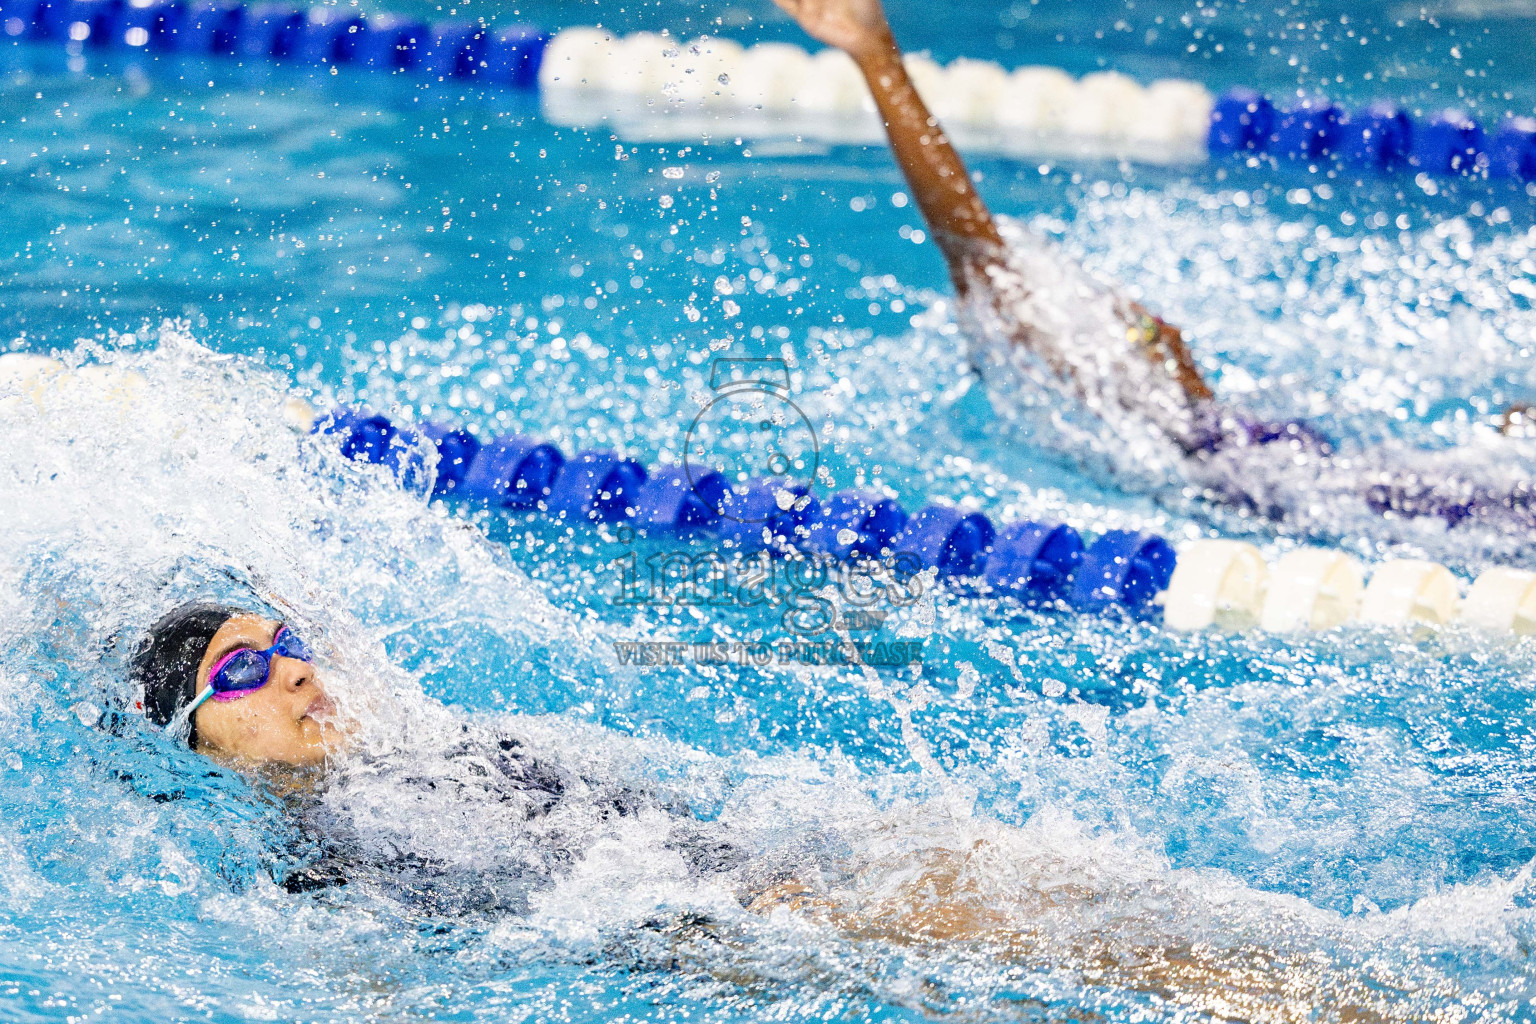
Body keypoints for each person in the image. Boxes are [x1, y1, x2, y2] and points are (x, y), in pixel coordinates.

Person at [124, 598, 1446, 1020]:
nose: (293, 667)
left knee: (1033, 890)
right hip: (721, 917)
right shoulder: (313, 853)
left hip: (747, 862)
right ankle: (1340, 1003)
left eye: (286, 639)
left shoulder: (426, 742)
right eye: (245, 669)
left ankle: (1342, 977)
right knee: (1036, 952)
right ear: (202, 735)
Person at [769, 0, 1536, 537]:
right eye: (1132, 322)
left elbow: (973, 248)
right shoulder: (1211, 450)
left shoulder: (1231, 448)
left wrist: (880, 58)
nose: (1140, 312)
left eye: (1131, 318)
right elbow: (975, 254)